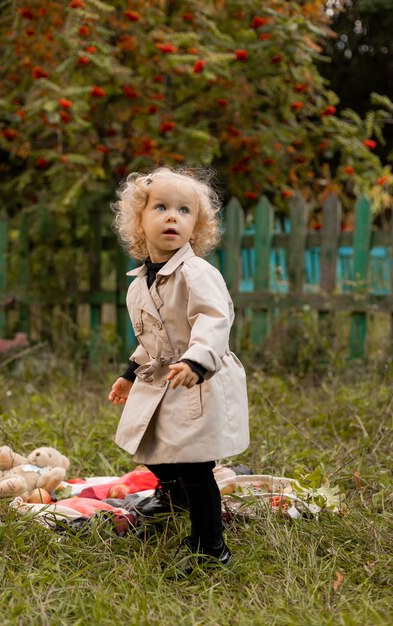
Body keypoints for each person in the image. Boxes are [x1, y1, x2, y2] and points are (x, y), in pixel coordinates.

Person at [108, 166, 250, 574]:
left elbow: (213, 320)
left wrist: (196, 360)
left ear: (197, 226)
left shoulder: (198, 274)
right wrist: (129, 373)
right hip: (164, 376)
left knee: (195, 464)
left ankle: (210, 549)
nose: (173, 216)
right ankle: (172, 493)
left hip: (198, 376)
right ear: (140, 220)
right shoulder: (139, 282)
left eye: (184, 210)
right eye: (162, 207)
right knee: (145, 442)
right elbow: (152, 337)